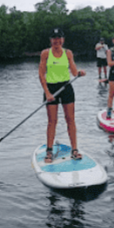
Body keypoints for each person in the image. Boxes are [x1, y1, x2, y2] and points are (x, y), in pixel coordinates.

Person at [39, 28, 86, 163]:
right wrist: (47, 92)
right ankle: (49, 151)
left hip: (66, 88)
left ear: (63, 40)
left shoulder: (68, 53)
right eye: (54, 38)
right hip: (51, 89)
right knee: (52, 121)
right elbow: (41, 74)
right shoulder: (45, 54)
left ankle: (75, 149)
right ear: (51, 40)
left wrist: (79, 73)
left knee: (70, 119)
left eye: (59, 38)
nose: (57, 41)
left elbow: (73, 71)